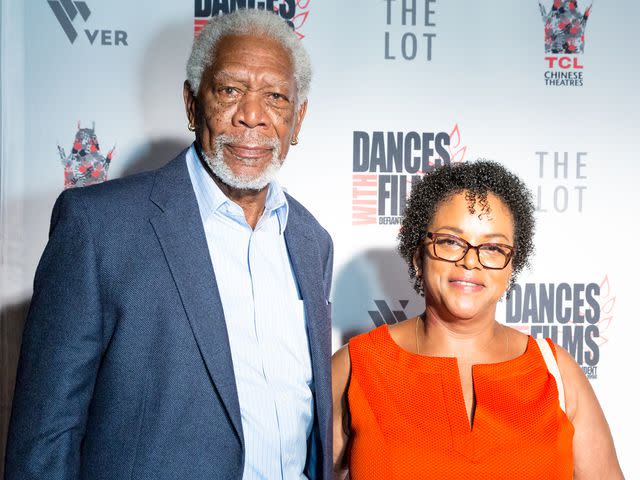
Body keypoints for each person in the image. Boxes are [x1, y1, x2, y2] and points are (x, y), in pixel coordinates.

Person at [6, 9, 333, 480]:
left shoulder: (311, 241)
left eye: (276, 97)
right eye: (231, 90)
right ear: (192, 103)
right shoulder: (100, 228)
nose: (252, 116)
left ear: (297, 120)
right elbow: (45, 441)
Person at [332, 161, 623, 479]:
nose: (470, 261)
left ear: (512, 266)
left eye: (493, 247)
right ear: (418, 257)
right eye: (450, 242)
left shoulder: (556, 373)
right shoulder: (356, 365)